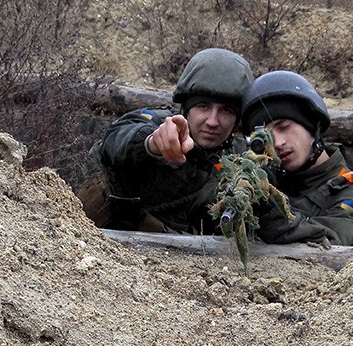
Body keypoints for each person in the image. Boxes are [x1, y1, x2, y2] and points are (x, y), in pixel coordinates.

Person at [99, 48, 254, 233]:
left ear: (237, 120)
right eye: (203, 106)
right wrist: (151, 144)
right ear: (186, 109)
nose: (213, 121)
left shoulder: (239, 155)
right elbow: (117, 139)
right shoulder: (159, 121)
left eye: (226, 111)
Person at [241, 70, 353, 246]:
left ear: (311, 126)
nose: (277, 143)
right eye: (267, 137)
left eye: (284, 126)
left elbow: (334, 241)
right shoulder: (270, 182)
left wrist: (271, 212)